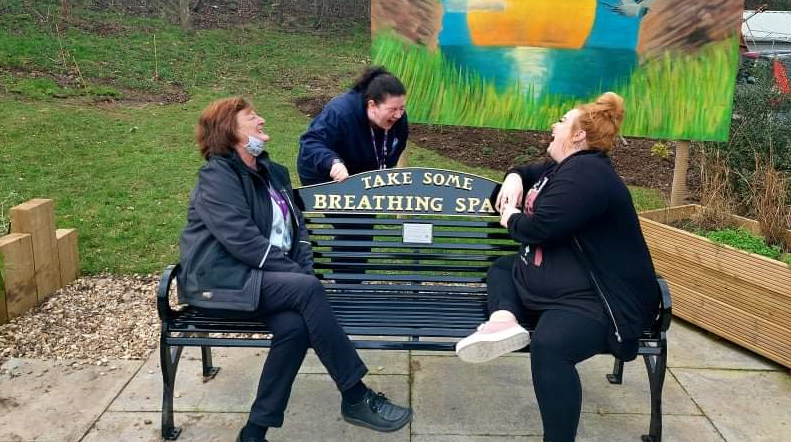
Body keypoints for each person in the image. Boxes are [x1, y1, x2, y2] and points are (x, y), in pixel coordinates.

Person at [178, 97, 412, 442]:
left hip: (265, 280)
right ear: (230, 129)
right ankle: (355, 395)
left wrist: (300, 267)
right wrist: (299, 276)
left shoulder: (273, 172)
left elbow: (297, 230)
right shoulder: (218, 176)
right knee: (308, 290)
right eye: (251, 116)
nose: (261, 119)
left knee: (295, 327)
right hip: (223, 281)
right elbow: (242, 240)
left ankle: (254, 432)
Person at [454, 92, 660, 442]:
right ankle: (503, 321)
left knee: (550, 347)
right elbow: (529, 171)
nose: (554, 126)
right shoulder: (562, 167)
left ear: (578, 135)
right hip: (563, 281)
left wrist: (510, 216)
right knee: (504, 268)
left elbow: (540, 229)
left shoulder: (588, 177)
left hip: (599, 299)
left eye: (562, 121)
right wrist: (515, 177)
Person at [297, 66, 408, 185]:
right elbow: (311, 142)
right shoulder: (340, 113)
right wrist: (333, 162)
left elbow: (396, 148)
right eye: (392, 109)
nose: (398, 115)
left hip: (362, 172)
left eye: (402, 108)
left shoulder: (398, 118)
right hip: (322, 174)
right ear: (372, 105)